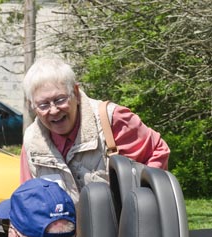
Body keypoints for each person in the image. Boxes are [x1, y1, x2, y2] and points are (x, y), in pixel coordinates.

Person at [20, 57, 170, 204]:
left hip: (121, 227)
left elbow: (158, 150)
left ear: (76, 93)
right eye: (43, 104)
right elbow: (28, 197)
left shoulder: (111, 119)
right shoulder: (32, 141)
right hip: (65, 229)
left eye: (60, 99)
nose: (53, 110)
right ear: (32, 106)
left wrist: (139, 203)